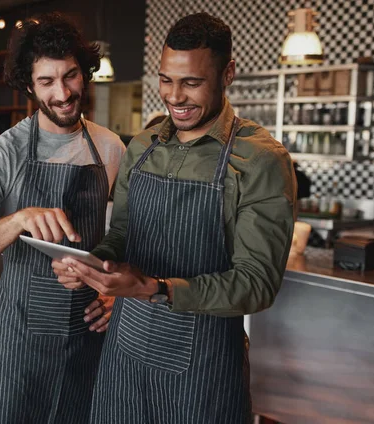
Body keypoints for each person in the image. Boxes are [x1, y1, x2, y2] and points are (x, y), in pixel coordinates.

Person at [53, 12, 296, 423]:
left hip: (203, 368)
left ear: (228, 74)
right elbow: (124, 233)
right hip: (124, 355)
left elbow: (257, 285)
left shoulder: (260, 160)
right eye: (166, 79)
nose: (175, 96)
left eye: (192, 83)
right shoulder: (144, 145)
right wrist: (94, 263)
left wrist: (157, 289)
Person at [0, 12, 126, 424]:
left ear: (85, 74)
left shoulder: (111, 149)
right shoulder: (2, 154)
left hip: (88, 336)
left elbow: (130, 239)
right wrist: (17, 220)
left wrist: (117, 292)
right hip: (20, 340)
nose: (62, 93)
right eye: (46, 82)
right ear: (29, 85)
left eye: (70, 76)